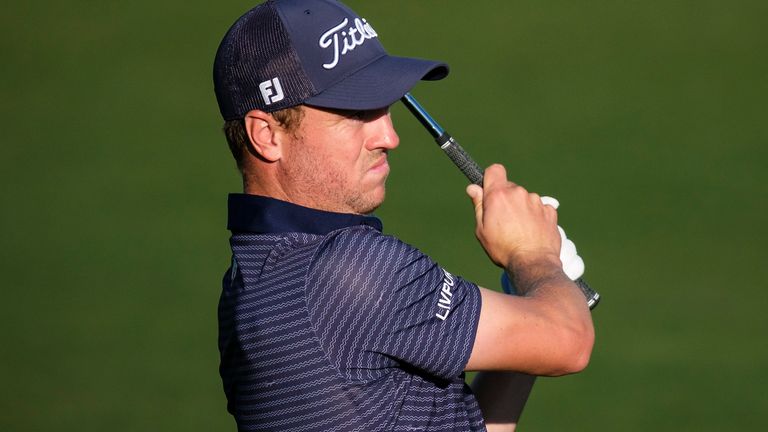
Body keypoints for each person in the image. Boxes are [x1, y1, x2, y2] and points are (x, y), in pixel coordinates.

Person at [213, 1, 595, 431]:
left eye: (384, 105)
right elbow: (569, 343)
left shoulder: (252, 278)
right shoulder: (348, 271)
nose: (389, 137)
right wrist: (534, 256)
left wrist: (531, 289)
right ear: (267, 135)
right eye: (355, 113)